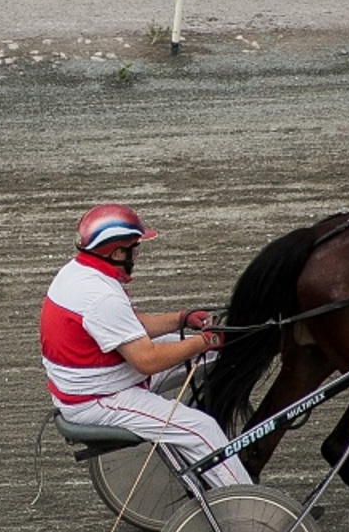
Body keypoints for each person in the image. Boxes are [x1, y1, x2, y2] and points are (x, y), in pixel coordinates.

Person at [40, 203, 252, 489]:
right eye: (134, 247)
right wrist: (202, 341)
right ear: (116, 253)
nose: (137, 254)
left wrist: (181, 319)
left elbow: (128, 325)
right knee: (202, 429)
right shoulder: (102, 297)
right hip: (98, 399)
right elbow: (147, 361)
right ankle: (248, 511)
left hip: (95, 383)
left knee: (216, 354)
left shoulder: (78, 273)